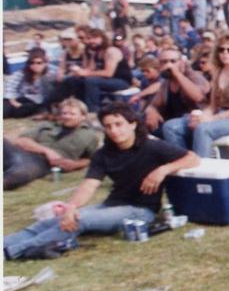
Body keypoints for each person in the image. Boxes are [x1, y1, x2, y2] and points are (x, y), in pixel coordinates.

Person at [4, 102, 198, 260]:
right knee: (56, 220)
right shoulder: (103, 154)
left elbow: (192, 158)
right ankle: (6, 243)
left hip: (140, 211)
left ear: (132, 124)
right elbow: (89, 185)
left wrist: (162, 170)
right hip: (111, 205)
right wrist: (71, 207)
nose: (114, 131)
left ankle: (13, 252)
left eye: (118, 124)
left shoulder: (151, 146)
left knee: (81, 221)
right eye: (108, 126)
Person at [161, 32, 229, 157]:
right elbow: (213, 106)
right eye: (221, 50)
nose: (225, 53)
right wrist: (202, 116)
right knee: (170, 126)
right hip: (220, 114)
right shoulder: (219, 72)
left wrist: (212, 119)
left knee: (203, 129)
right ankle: (184, 160)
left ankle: (202, 168)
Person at [4, 99, 100, 191]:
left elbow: (90, 159)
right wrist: (47, 151)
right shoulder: (46, 125)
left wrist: (75, 165)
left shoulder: (89, 136)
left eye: (72, 114)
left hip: (41, 163)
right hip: (19, 152)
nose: (67, 116)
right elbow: (21, 141)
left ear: (83, 116)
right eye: (64, 113)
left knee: (20, 174)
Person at [137, 47, 210, 134]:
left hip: (192, 120)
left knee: (170, 127)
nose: (169, 65)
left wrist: (177, 74)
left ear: (181, 62)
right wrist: (151, 111)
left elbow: (199, 97)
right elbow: (154, 104)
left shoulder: (194, 76)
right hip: (170, 120)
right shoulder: (166, 82)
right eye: (164, 62)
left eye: (173, 61)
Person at [5, 47, 56, 118]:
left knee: (23, 110)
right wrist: (13, 101)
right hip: (20, 97)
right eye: (32, 63)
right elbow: (11, 86)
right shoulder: (22, 73)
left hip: (37, 102)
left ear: (45, 63)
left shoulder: (51, 73)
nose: (35, 65)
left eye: (39, 63)